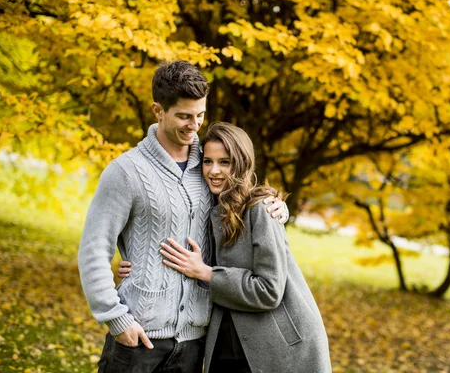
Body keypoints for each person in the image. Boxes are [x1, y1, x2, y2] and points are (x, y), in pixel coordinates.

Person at [78, 61, 287, 373]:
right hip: (138, 338)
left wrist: (278, 206)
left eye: (201, 114)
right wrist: (115, 318)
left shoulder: (211, 165)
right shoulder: (125, 172)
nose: (195, 125)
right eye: (184, 116)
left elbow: (245, 195)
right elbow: (94, 249)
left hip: (194, 344)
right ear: (158, 111)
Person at [147, 122, 332, 373]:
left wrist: (206, 273)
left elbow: (269, 290)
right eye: (208, 161)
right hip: (225, 340)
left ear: (241, 164)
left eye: (225, 162)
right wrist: (132, 266)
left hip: (279, 345)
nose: (214, 171)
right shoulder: (205, 207)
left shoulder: (261, 210)